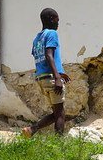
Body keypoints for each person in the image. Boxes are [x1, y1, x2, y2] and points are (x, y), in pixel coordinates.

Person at [22, 8, 70, 137]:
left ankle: (31, 130)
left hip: (42, 79)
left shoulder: (37, 39)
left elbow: (40, 59)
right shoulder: (52, 34)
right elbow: (49, 55)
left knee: (56, 112)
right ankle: (58, 144)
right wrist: (57, 77)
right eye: (57, 20)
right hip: (51, 78)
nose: (58, 23)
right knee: (60, 113)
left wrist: (59, 73)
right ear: (51, 19)